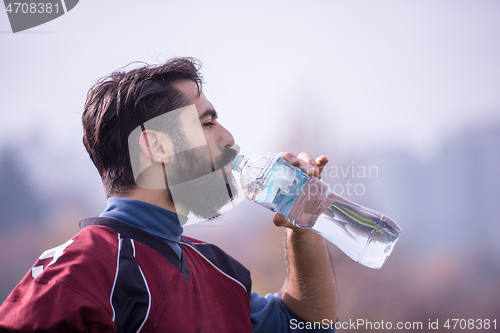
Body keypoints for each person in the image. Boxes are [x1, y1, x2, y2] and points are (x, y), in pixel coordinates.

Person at [0, 57, 338, 332]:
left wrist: (301, 224)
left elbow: (308, 324)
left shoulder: (220, 271)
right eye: (207, 123)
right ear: (157, 146)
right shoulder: (81, 271)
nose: (228, 137)